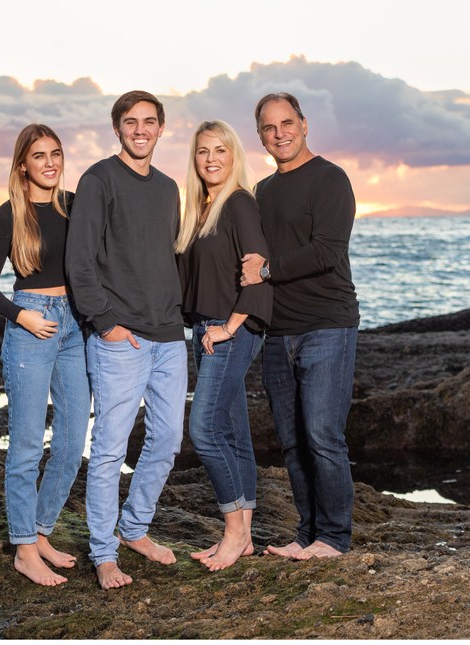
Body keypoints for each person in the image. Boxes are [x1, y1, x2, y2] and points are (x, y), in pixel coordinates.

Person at [65, 90, 187, 589]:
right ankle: (103, 552)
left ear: (161, 129)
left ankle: (135, 528)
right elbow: (80, 262)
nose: (141, 130)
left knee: (169, 439)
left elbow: (170, 258)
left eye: (150, 122)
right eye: (131, 122)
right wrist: (106, 323)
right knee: (111, 448)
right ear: (117, 128)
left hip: (169, 335)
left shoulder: (169, 188)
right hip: (121, 339)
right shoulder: (98, 180)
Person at [241, 93, 360, 559]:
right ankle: (307, 534)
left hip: (327, 325)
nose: (280, 134)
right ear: (260, 136)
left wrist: (267, 271)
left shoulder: (330, 179)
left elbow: (328, 251)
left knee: (323, 436)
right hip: (278, 331)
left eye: (287, 123)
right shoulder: (264, 191)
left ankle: (334, 538)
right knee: (292, 442)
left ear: (305, 125)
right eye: (269, 128)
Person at [0, 124, 90, 586]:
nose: (49, 163)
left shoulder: (74, 205)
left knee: (71, 438)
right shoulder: (9, 214)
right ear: (23, 164)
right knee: (25, 445)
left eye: (56, 154)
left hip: (75, 326)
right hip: (31, 327)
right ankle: (24, 548)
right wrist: (21, 316)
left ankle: (41, 532)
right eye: (39, 156)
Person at [176, 120, 272, 571]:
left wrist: (230, 328)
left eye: (220, 150)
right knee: (234, 433)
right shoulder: (200, 209)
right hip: (205, 330)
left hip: (228, 331)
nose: (211, 159)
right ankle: (244, 536)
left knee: (204, 431)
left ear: (234, 156)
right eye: (202, 151)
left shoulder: (239, 202)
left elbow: (257, 269)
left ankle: (233, 532)